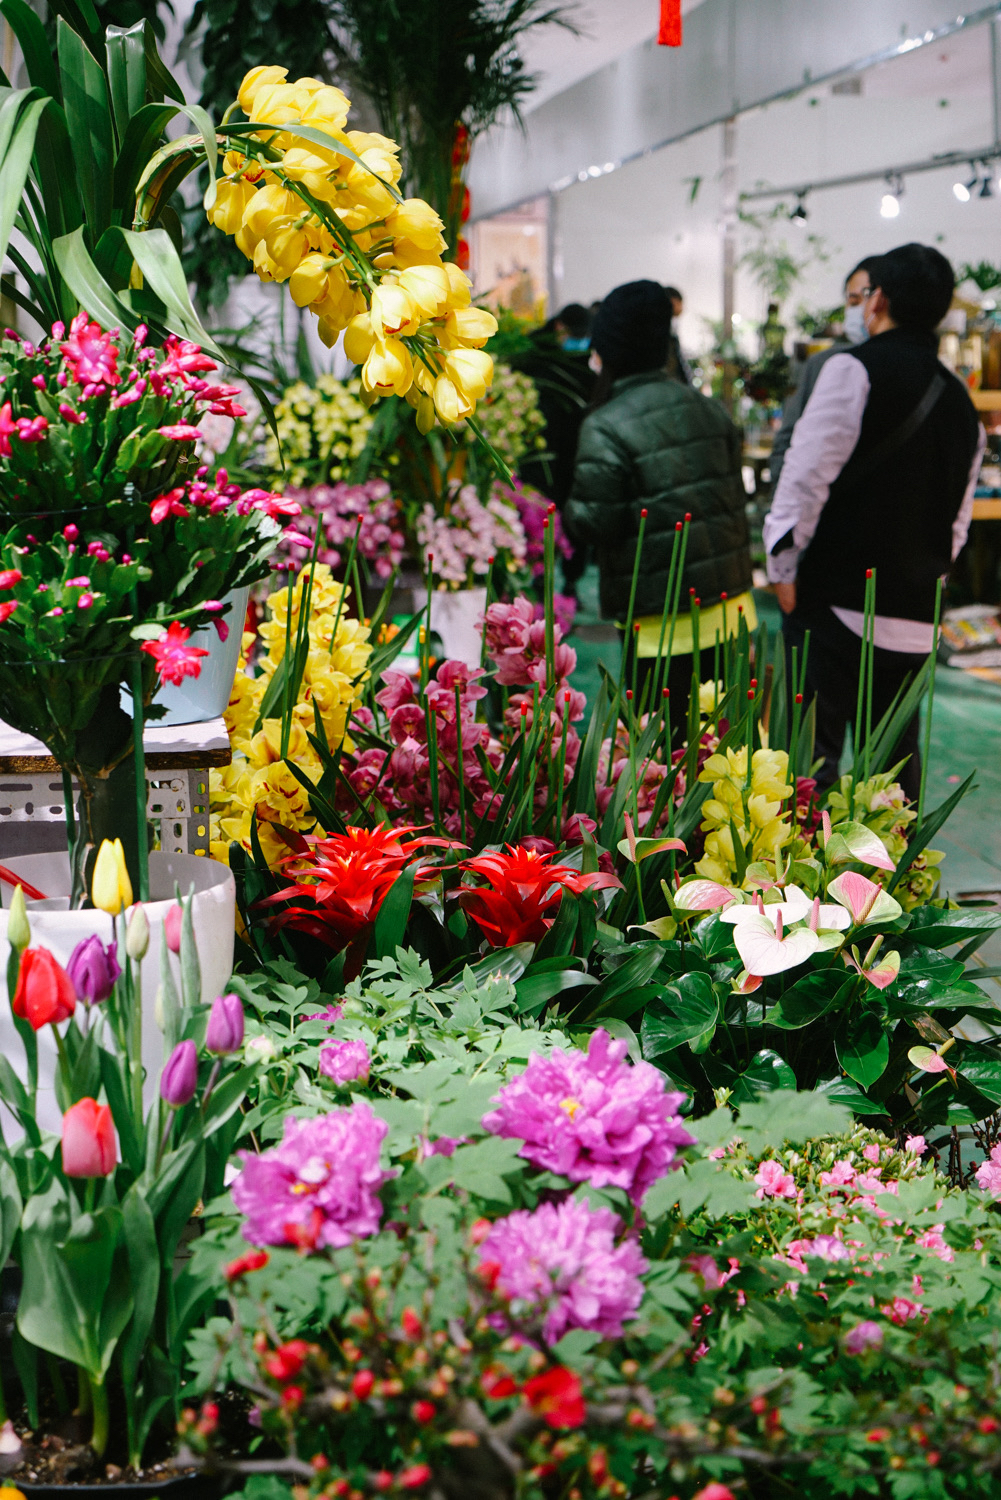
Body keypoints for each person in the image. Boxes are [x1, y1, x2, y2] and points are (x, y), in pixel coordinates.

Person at [764, 242, 984, 800]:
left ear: (878, 299)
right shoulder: (963, 404)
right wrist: (927, 580)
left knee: (806, 774)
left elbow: (805, 476)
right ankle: (890, 859)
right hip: (914, 616)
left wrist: (782, 564)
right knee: (890, 783)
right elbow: (957, 521)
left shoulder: (851, 369)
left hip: (836, 602)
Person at [564, 280, 753, 737]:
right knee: (724, 750)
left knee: (663, 755)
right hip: (730, 610)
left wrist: (568, 508)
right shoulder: (709, 409)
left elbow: (594, 522)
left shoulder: (606, 425)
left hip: (659, 622)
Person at [769, 257, 882, 491]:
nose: (862, 309)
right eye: (853, 301)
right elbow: (788, 439)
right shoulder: (820, 364)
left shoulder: (902, 367)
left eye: (867, 297)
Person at [518, 303, 596, 597]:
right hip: (540, 453)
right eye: (575, 336)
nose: (578, 342)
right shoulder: (532, 355)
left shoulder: (584, 360)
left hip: (574, 451)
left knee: (575, 518)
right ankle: (539, 574)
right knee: (540, 514)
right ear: (559, 327)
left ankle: (571, 581)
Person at [664, 285, 691, 384]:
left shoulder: (672, 326)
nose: (682, 307)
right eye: (680, 303)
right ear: (673, 301)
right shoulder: (666, 331)